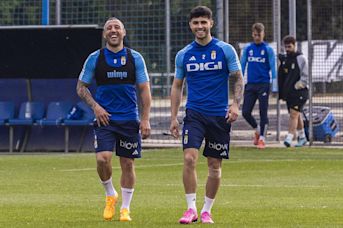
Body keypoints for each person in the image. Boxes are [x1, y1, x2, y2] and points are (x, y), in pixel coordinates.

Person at [169, 6, 244, 224]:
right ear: (190, 26)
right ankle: (190, 209)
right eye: (196, 23)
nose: (200, 26)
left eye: (204, 22)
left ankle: (206, 210)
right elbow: (177, 86)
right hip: (194, 115)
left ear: (211, 23)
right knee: (189, 158)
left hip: (219, 116)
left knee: (214, 166)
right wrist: (174, 117)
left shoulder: (225, 50)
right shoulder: (184, 54)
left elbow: (238, 78)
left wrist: (235, 105)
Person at [76, 17, 151, 222]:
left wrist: (145, 119)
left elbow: (144, 90)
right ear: (104, 34)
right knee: (103, 159)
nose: (113, 30)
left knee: (127, 163)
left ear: (124, 32)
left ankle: (125, 208)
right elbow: (81, 87)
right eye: (109, 28)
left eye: (117, 27)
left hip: (128, 119)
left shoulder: (135, 58)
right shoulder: (95, 58)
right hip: (105, 119)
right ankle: (110, 194)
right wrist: (96, 107)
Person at [240, 22, 277, 149]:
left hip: (263, 84)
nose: (257, 37)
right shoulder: (248, 49)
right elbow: (242, 66)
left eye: (259, 35)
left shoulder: (268, 49)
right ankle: (257, 129)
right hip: (250, 85)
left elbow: (273, 68)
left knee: (263, 112)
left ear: (263, 34)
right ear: (252, 34)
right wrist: (239, 81)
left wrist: (275, 86)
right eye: (255, 35)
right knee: (245, 112)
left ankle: (262, 138)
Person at [277, 35, 309, 147]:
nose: (287, 49)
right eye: (286, 47)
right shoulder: (286, 59)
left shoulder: (301, 58)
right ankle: (302, 137)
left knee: (294, 114)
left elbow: (306, 75)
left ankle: (289, 137)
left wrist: (299, 85)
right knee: (295, 114)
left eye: (289, 46)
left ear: (294, 45)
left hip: (300, 92)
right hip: (290, 93)